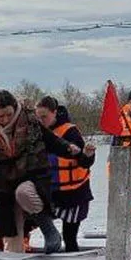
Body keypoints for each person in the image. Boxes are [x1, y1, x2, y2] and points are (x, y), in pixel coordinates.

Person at [0, 89, 93, 254]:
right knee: (11, 233)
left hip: (29, 177)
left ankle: (48, 229)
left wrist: (71, 149)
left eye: (9, 114)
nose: (6, 119)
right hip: (2, 186)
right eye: (1, 116)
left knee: (23, 192)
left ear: (15, 108)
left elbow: (51, 141)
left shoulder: (29, 120)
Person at [34, 96, 96, 252]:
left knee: (69, 236)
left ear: (54, 113)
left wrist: (88, 154)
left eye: (44, 117)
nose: (41, 121)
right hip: (51, 193)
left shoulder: (70, 131)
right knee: (41, 223)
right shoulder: (36, 133)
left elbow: (84, 162)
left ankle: (72, 257)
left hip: (74, 194)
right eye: (38, 118)